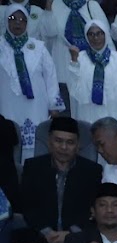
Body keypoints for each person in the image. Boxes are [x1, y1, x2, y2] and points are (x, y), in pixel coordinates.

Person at [15, 116, 101, 243]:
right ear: (49, 142)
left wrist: (70, 233)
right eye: (58, 141)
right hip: (40, 237)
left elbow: (92, 209)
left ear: (78, 145)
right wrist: (47, 232)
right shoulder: (33, 167)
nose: (64, 147)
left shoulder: (92, 171)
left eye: (70, 142)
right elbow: (27, 206)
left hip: (79, 240)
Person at [0, 4, 64, 163]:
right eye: (12, 19)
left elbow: (50, 76)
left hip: (35, 106)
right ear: (5, 21)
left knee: (35, 149)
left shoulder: (38, 47)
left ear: (27, 22)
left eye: (22, 20)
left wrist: (54, 105)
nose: (17, 23)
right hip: (7, 105)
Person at [69, 20, 117, 125]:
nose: (96, 38)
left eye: (99, 34)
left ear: (105, 34)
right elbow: (73, 88)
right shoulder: (80, 58)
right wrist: (74, 62)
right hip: (87, 114)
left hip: (113, 113)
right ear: (86, 37)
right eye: (91, 34)